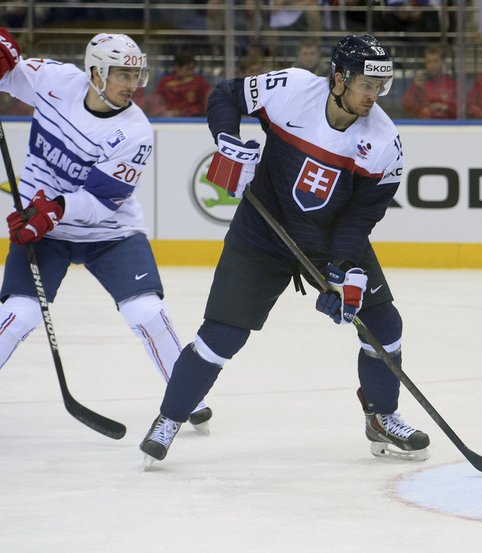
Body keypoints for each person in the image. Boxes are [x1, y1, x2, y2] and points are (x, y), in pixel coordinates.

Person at [139, 34, 430, 465]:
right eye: (367, 84)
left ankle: (382, 417)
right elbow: (225, 95)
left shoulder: (384, 143)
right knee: (221, 335)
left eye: (380, 86)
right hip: (261, 234)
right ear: (339, 79)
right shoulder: (292, 89)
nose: (375, 96)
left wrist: (345, 271)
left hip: (328, 240)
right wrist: (227, 140)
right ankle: (169, 418)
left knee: (385, 327)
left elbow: (359, 218)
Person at [0, 30, 212, 427]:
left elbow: (101, 202)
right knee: (20, 313)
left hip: (109, 234)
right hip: (45, 232)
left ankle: (187, 395)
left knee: (146, 311)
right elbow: (7, 74)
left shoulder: (134, 132)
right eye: (122, 75)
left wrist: (53, 209)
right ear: (96, 72)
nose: (132, 85)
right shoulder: (53, 81)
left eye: (136, 76)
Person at [145, 51, 212, 117]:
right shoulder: (165, 82)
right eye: (188, 69)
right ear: (177, 67)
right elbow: (156, 102)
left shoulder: (199, 81)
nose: (190, 72)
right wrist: (164, 112)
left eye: (192, 69)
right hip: (170, 119)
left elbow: (208, 100)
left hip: (194, 118)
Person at [401, 43, 456, 119]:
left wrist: (446, 108)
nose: (432, 65)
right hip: (424, 125)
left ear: (443, 62)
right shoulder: (419, 83)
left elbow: (462, 109)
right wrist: (415, 87)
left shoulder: (452, 84)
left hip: (447, 125)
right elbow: (407, 106)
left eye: (435, 61)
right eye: (429, 62)